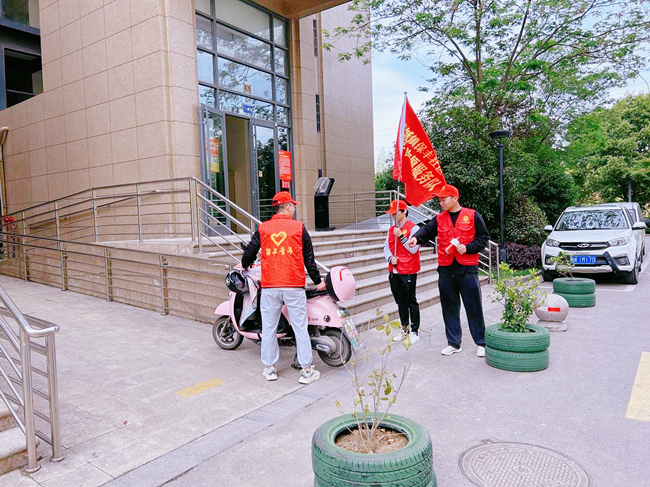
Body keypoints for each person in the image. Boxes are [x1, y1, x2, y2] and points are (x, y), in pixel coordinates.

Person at [241, 191, 326, 384]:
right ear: (287, 206)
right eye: (293, 205)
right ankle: (306, 371)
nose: (294, 208)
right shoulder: (299, 228)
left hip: (270, 285)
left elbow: (250, 251)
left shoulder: (263, 228)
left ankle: (270, 368)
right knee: (300, 327)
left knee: (269, 328)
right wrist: (317, 281)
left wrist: (245, 264)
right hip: (293, 285)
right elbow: (309, 259)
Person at [408, 184, 490, 357]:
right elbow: (427, 231)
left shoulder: (472, 215)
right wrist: (416, 238)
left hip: (467, 269)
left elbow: (483, 238)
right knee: (449, 308)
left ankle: (481, 342)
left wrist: (467, 248)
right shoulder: (439, 218)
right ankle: (453, 343)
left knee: (473, 307)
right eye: (439, 200)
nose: (441, 202)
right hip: (446, 269)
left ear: (455, 198)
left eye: (444, 199)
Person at [383, 199, 421, 344]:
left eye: (395, 212)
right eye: (391, 213)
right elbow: (386, 246)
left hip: (408, 270)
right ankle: (404, 329)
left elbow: (414, 249)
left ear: (404, 211)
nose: (393, 215)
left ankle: (414, 331)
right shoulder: (391, 229)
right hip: (394, 270)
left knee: (411, 302)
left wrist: (402, 236)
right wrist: (390, 258)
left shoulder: (414, 228)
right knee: (400, 302)